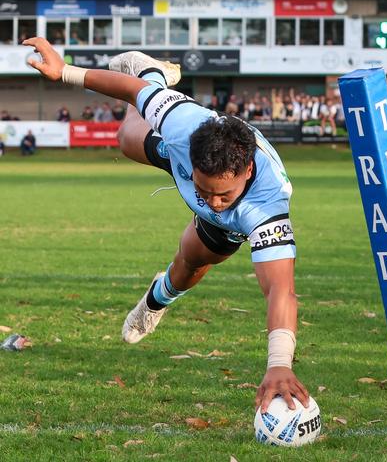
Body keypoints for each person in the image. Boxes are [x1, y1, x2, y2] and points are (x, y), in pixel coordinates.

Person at [23, 36, 309, 413]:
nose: (213, 202)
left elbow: (280, 290)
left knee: (190, 265)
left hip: (231, 222)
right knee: (126, 138)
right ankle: (151, 72)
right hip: (181, 158)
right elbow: (130, 88)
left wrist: (279, 365)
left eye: (223, 195)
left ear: (248, 171)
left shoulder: (266, 205)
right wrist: (65, 73)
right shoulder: (182, 124)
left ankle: (155, 301)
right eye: (207, 192)